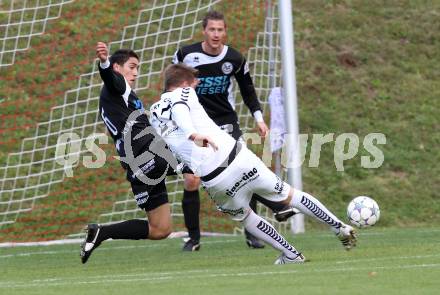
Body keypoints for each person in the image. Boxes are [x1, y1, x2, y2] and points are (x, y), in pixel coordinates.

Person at [149, 63, 358, 264]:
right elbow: (179, 108)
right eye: (194, 83)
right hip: (239, 158)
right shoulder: (184, 93)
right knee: (289, 194)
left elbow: (169, 146)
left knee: (246, 217)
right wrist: (193, 134)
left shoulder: (154, 113)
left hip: (216, 178)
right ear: (185, 83)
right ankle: (338, 226)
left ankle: (291, 254)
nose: (196, 87)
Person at [172, 10, 296, 251]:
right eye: (212, 30)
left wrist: (259, 119)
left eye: (220, 30)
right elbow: (172, 83)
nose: (216, 34)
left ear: (225, 31)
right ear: (204, 31)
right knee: (191, 180)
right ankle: (193, 239)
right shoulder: (185, 55)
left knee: (243, 170)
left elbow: (247, 90)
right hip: (195, 125)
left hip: (225, 122)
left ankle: (254, 233)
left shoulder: (235, 59)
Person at [80, 42, 189, 264]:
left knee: (161, 229)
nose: (136, 72)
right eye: (131, 66)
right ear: (118, 68)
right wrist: (104, 63)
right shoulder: (117, 86)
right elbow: (111, 79)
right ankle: (268, 199)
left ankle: (102, 232)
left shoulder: (122, 95)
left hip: (137, 163)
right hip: (146, 154)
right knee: (198, 162)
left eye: (137, 67)